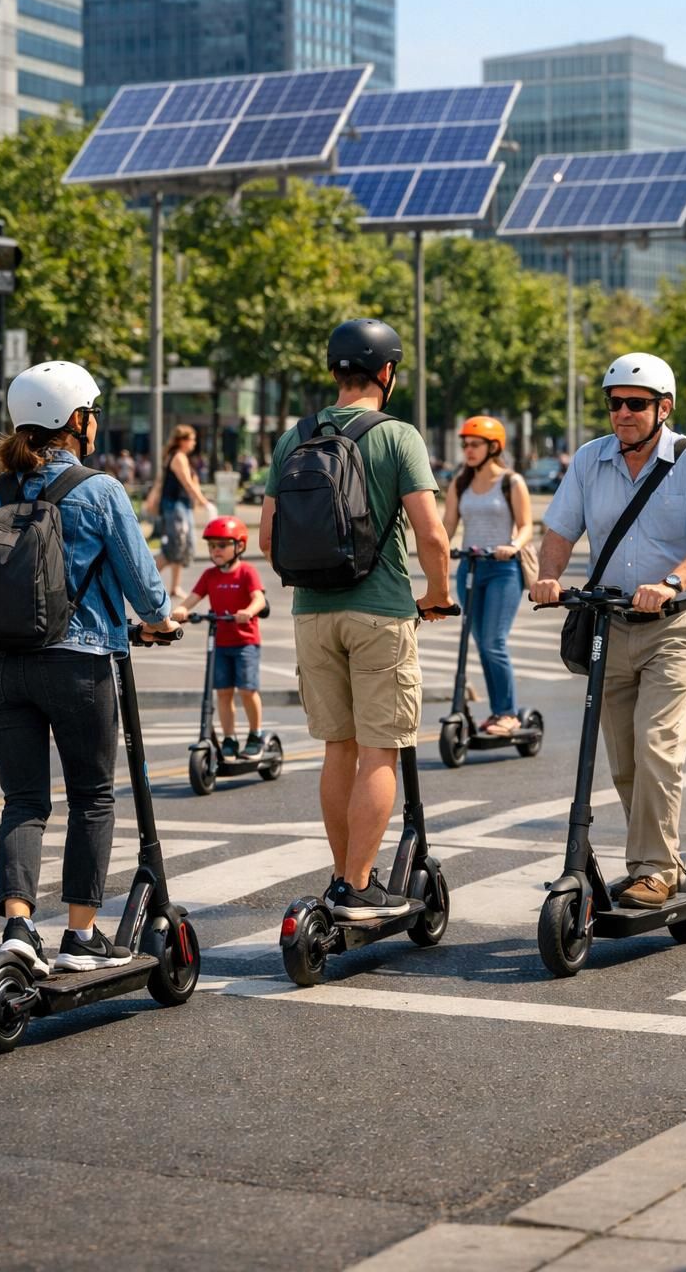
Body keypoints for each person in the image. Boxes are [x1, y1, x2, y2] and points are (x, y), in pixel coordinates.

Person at [0, 360, 179, 976]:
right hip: (77, 661)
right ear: (75, 421)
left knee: (23, 800)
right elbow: (144, 586)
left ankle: (18, 926)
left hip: (0, 666)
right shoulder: (99, 489)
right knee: (91, 795)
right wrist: (160, 621)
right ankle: (81, 935)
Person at [260, 318, 454, 921]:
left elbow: (268, 538)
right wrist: (438, 594)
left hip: (312, 613)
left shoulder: (293, 439)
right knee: (380, 752)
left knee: (337, 750)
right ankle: (359, 884)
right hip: (380, 611)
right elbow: (432, 535)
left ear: (334, 372)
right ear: (388, 373)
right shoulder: (398, 437)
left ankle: (343, 880)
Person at [533, 351, 686, 907]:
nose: (623, 413)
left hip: (674, 623)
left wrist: (671, 581)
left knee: (657, 746)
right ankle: (653, 861)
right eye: (615, 403)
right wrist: (548, 577)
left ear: (663, 407)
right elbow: (559, 529)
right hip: (610, 624)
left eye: (636, 404)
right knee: (623, 756)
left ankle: (654, 868)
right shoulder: (590, 459)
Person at [442, 414, 534, 735]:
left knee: (494, 641)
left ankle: (507, 713)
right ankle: (497, 712)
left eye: (475, 444)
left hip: (503, 568)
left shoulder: (511, 482)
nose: (468, 450)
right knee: (481, 643)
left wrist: (511, 546)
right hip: (470, 567)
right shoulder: (460, 482)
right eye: (465, 444)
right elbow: (448, 526)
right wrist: (439, 548)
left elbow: (526, 527)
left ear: (493, 447)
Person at [175, 515, 269, 760]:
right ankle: (229, 738)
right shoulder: (209, 575)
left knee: (247, 690)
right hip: (220, 642)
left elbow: (259, 598)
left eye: (222, 545)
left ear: (239, 546)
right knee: (223, 693)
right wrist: (181, 611)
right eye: (212, 546)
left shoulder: (247, 572)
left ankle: (255, 734)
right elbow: (192, 598)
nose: (215, 550)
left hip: (245, 642)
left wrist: (248, 611)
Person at [150, 425, 214, 601]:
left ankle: (175, 587)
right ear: (182, 440)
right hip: (175, 507)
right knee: (174, 547)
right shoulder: (178, 457)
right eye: (192, 439)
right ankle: (144, 579)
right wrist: (204, 501)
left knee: (180, 546)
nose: (194, 443)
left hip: (180, 506)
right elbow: (187, 483)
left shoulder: (180, 457)